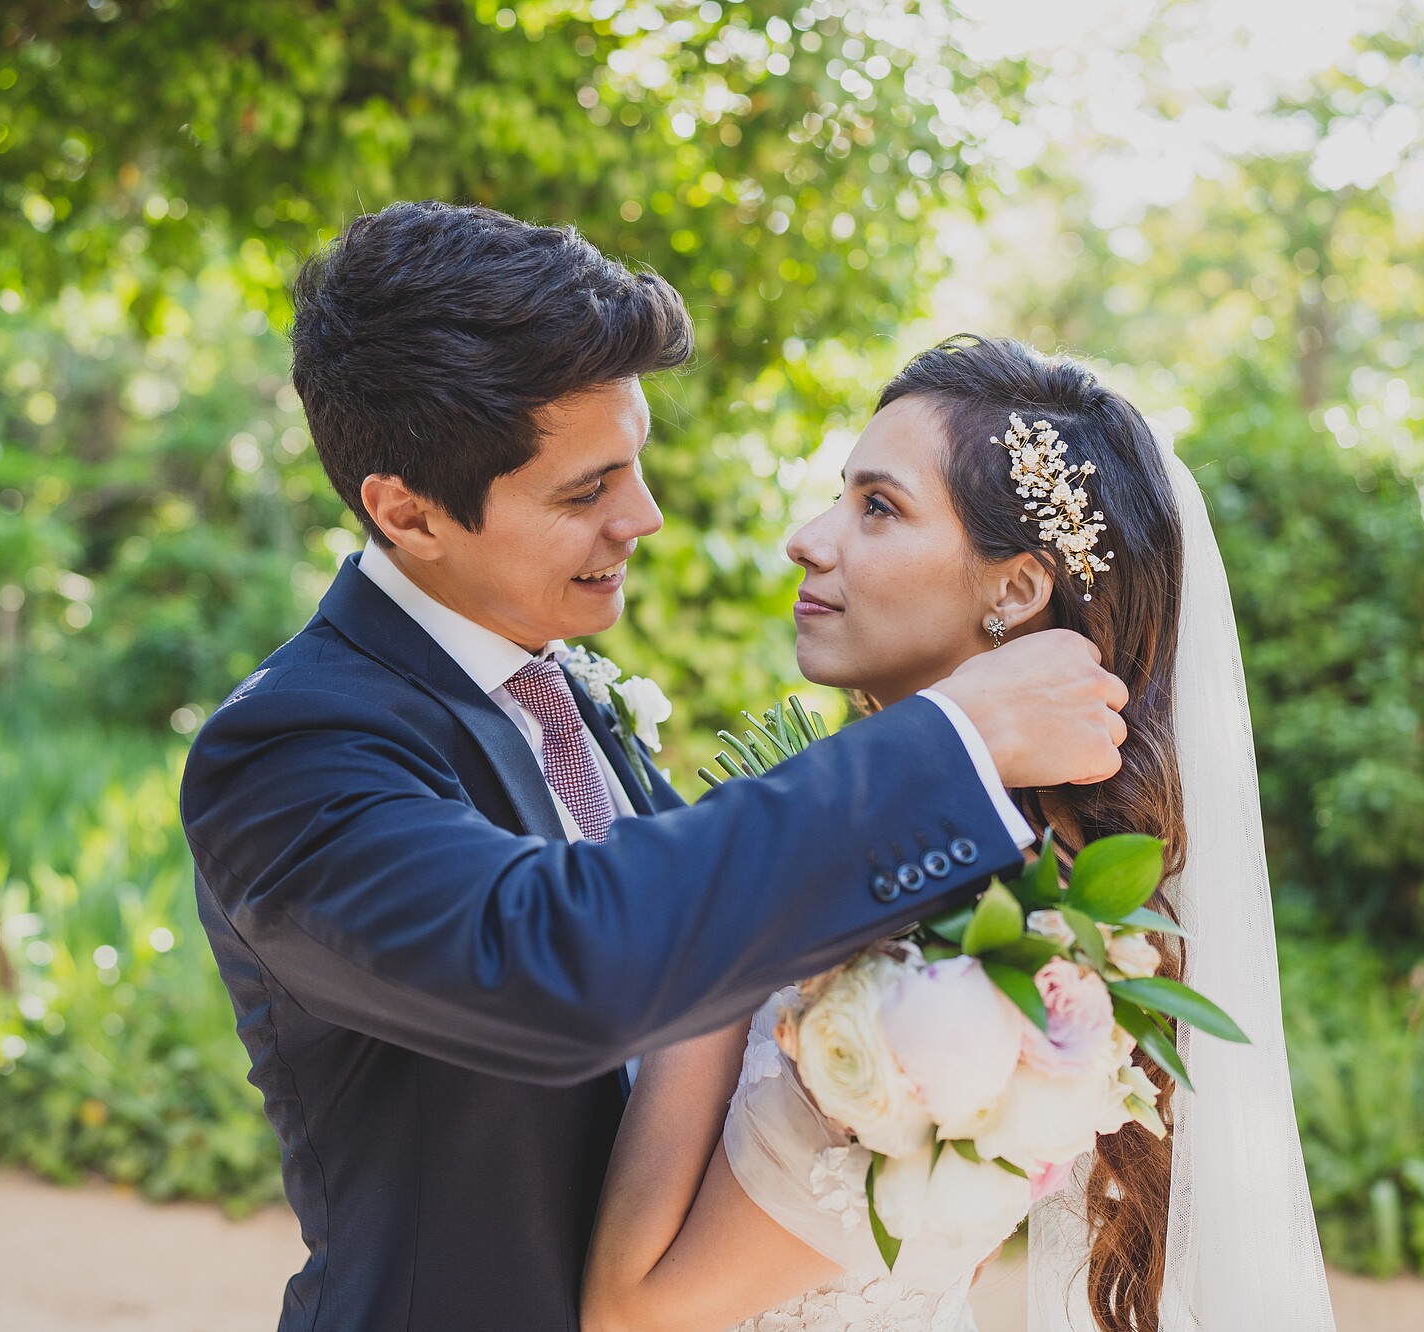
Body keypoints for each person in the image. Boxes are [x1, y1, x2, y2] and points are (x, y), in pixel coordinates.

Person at [180, 207, 1131, 1332]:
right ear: (407, 513)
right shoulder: (290, 750)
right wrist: (949, 744)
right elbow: (556, 957)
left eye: (634, 462)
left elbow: (694, 919)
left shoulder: (562, 682)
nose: (645, 515)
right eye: (585, 491)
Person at [582, 336, 1334, 1332]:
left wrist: (726, 907)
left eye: (878, 508)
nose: (807, 540)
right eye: (840, 496)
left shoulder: (983, 964)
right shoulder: (924, 870)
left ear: (1013, 590)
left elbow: (629, 1312)